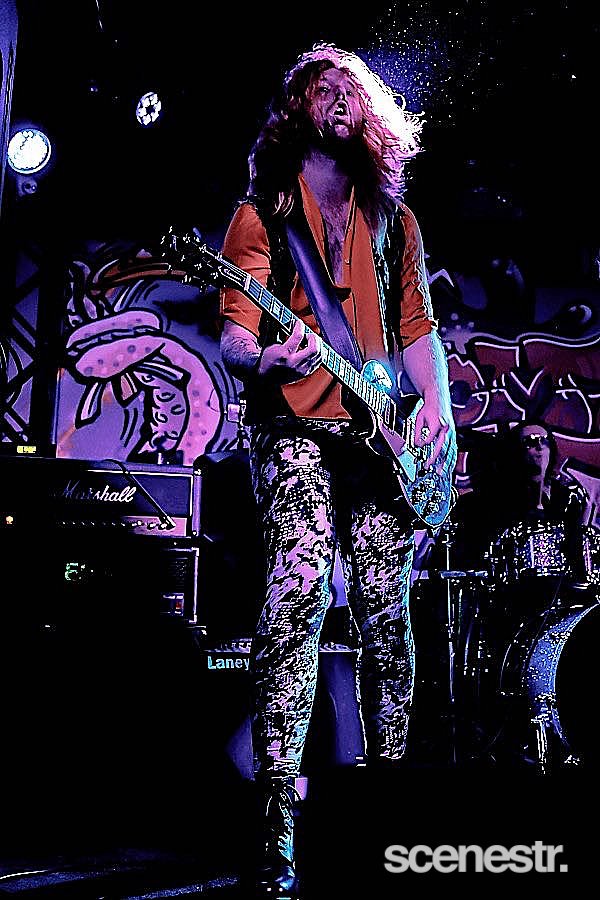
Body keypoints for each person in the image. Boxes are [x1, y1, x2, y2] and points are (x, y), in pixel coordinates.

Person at [219, 43, 454, 897]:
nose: (339, 98)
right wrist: (266, 358)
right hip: (294, 429)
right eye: (322, 89)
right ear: (298, 110)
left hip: (382, 442)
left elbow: (417, 329)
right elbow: (234, 335)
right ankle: (277, 819)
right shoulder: (262, 215)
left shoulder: (394, 220)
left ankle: (382, 806)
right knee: (300, 585)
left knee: (389, 610)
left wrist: (437, 418)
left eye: (352, 88)